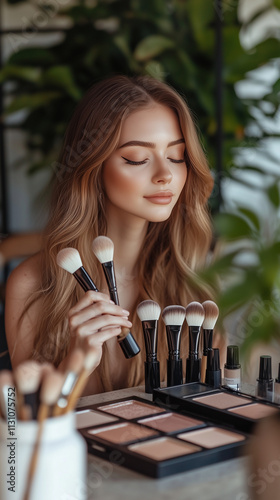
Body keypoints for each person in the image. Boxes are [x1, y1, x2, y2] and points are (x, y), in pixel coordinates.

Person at [5, 75, 217, 394]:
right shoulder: (34, 285)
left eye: (177, 156)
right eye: (137, 159)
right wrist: (75, 364)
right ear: (93, 166)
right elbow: (23, 428)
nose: (166, 175)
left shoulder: (195, 279)